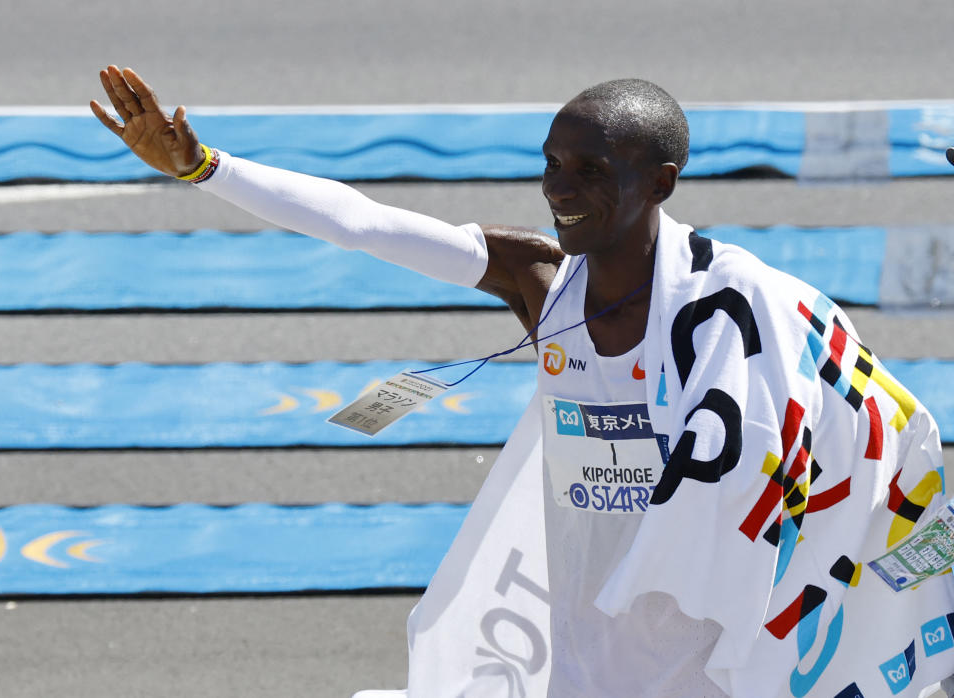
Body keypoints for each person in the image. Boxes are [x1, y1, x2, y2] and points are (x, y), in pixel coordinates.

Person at [92, 66, 954, 697]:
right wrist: (206, 167)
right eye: (551, 164)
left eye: (589, 171)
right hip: (582, 637)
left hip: (713, 645)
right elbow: (365, 225)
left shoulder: (734, 312)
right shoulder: (539, 282)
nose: (558, 189)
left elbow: (830, 420)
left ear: (660, 183)